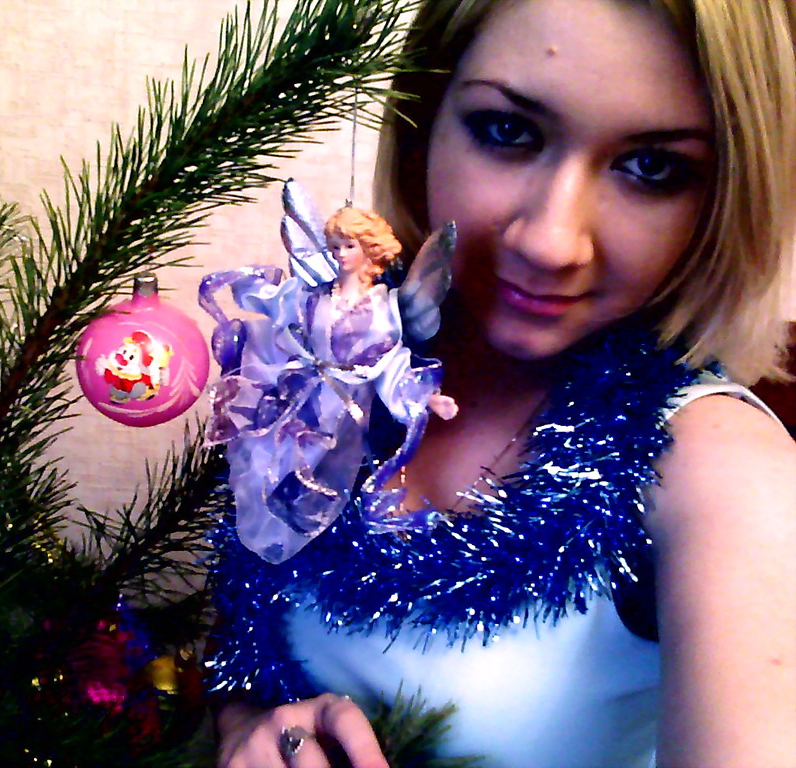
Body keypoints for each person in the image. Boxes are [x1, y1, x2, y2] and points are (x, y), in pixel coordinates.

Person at [208, 1, 796, 766]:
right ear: (423, 121)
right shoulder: (333, 356)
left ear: (722, 196)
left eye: (651, 167)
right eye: (508, 130)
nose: (552, 242)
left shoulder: (731, 475)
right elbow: (243, 634)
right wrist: (249, 731)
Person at [200, 205, 457, 564]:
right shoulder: (313, 296)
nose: (340, 254)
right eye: (335, 246)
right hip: (299, 391)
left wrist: (427, 398)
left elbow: (391, 365)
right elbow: (278, 307)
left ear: (370, 249)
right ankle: (269, 516)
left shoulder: (385, 309)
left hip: (344, 406)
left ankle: (299, 531)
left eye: (349, 246)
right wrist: (245, 285)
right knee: (268, 458)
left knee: (322, 473)